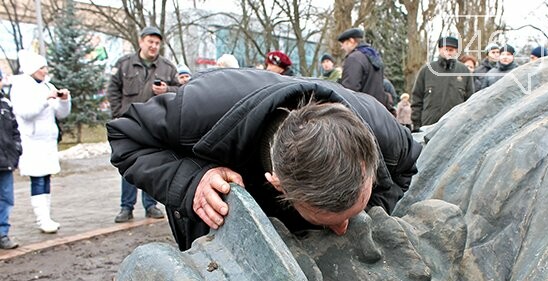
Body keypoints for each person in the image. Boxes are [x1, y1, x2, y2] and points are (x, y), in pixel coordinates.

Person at [107, 68, 422, 251]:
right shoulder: (201, 109)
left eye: (352, 214)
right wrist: (190, 181)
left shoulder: (382, 129)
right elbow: (126, 137)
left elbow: (405, 172)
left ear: (369, 161)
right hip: (224, 236)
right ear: (278, 184)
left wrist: (372, 215)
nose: (345, 229)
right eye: (330, 219)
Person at [107, 26, 180, 223]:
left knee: (153, 166)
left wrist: (167, 89)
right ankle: (126, 207)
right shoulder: (125, 64)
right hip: (128, 125)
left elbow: (181, 91)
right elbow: (113, 90)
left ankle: (151, 205)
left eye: (157, 43)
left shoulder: (167, 67)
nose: (154, 46)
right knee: (129, 165)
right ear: (141, 42)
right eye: (150, 42)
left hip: (154, 126)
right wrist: (118, 114)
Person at [11, 50, 71, 234]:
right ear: (32, 69)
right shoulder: (21, 86)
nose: (45, 71)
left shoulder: (47, 86)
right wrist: (46, 99)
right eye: (42, 67)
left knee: (46, 179)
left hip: (48, 141)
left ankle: (47, 216)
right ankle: (42, 218)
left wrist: (64, 100)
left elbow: (61, 114)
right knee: (37, 179)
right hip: (32, 141)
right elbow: (25, 112)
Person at [410, 36, 474, 131]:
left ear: (456, 51)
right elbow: (417, 99)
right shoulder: (426, 70)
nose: (448, 52)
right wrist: (416, 125)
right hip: (428, 126)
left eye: (451, 50)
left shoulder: (464, 71)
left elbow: (470, 101)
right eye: (446, 49)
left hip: (455, 127)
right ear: (440, 50)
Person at [337, 28, 388, 107]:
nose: (342, 48)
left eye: (343, 44)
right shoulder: (374, 57)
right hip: (377, 110)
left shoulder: (354, 58)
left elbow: (350, 90)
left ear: (351, 41)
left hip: (361, 111)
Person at [0, 71, 22, 248]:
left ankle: (3, 233)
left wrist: (16, 149)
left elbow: (15, 130)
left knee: (6, 198)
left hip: (6, 160)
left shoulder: (5, 104)